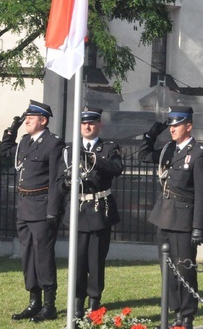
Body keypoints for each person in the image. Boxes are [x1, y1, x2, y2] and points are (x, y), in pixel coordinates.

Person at [139, 106, 203, 329]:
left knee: (185, 270)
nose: (172, 129)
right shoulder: (168, 150)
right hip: (164, 216)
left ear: (188, 126)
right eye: (170, 125)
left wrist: (198, 227)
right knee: (168, 269)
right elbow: (143, 155)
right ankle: (176, 312)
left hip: (184, 220)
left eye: (176, 124)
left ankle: (187, 315)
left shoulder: (199, 153)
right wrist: (152, 134)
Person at [0, 100, 65, 323]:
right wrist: (12, 129)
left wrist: (53, 211)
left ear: (43, 120)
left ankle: (49, 305)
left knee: (43, 257)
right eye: (26, 117)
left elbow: (57, 179)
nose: (27, 120)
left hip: (42, 207)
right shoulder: (25, 142)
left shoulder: (53, 143)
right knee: (27, 256)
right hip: (24, 207)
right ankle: (33, 301)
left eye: (31, 117)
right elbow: (5, 150)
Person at [57, 107, 124, 319]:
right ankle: (78, 302)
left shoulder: (109, 148)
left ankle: (94, 301)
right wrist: (66, 184)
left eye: (92, 123)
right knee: (77, 259)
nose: (88, 126)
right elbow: (59, 181)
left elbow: (116, 169)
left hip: (99, 211)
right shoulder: (69, 150)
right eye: (84, 123)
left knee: (96, 260)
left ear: (99, 125)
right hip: (78, 210)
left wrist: (90, 157)